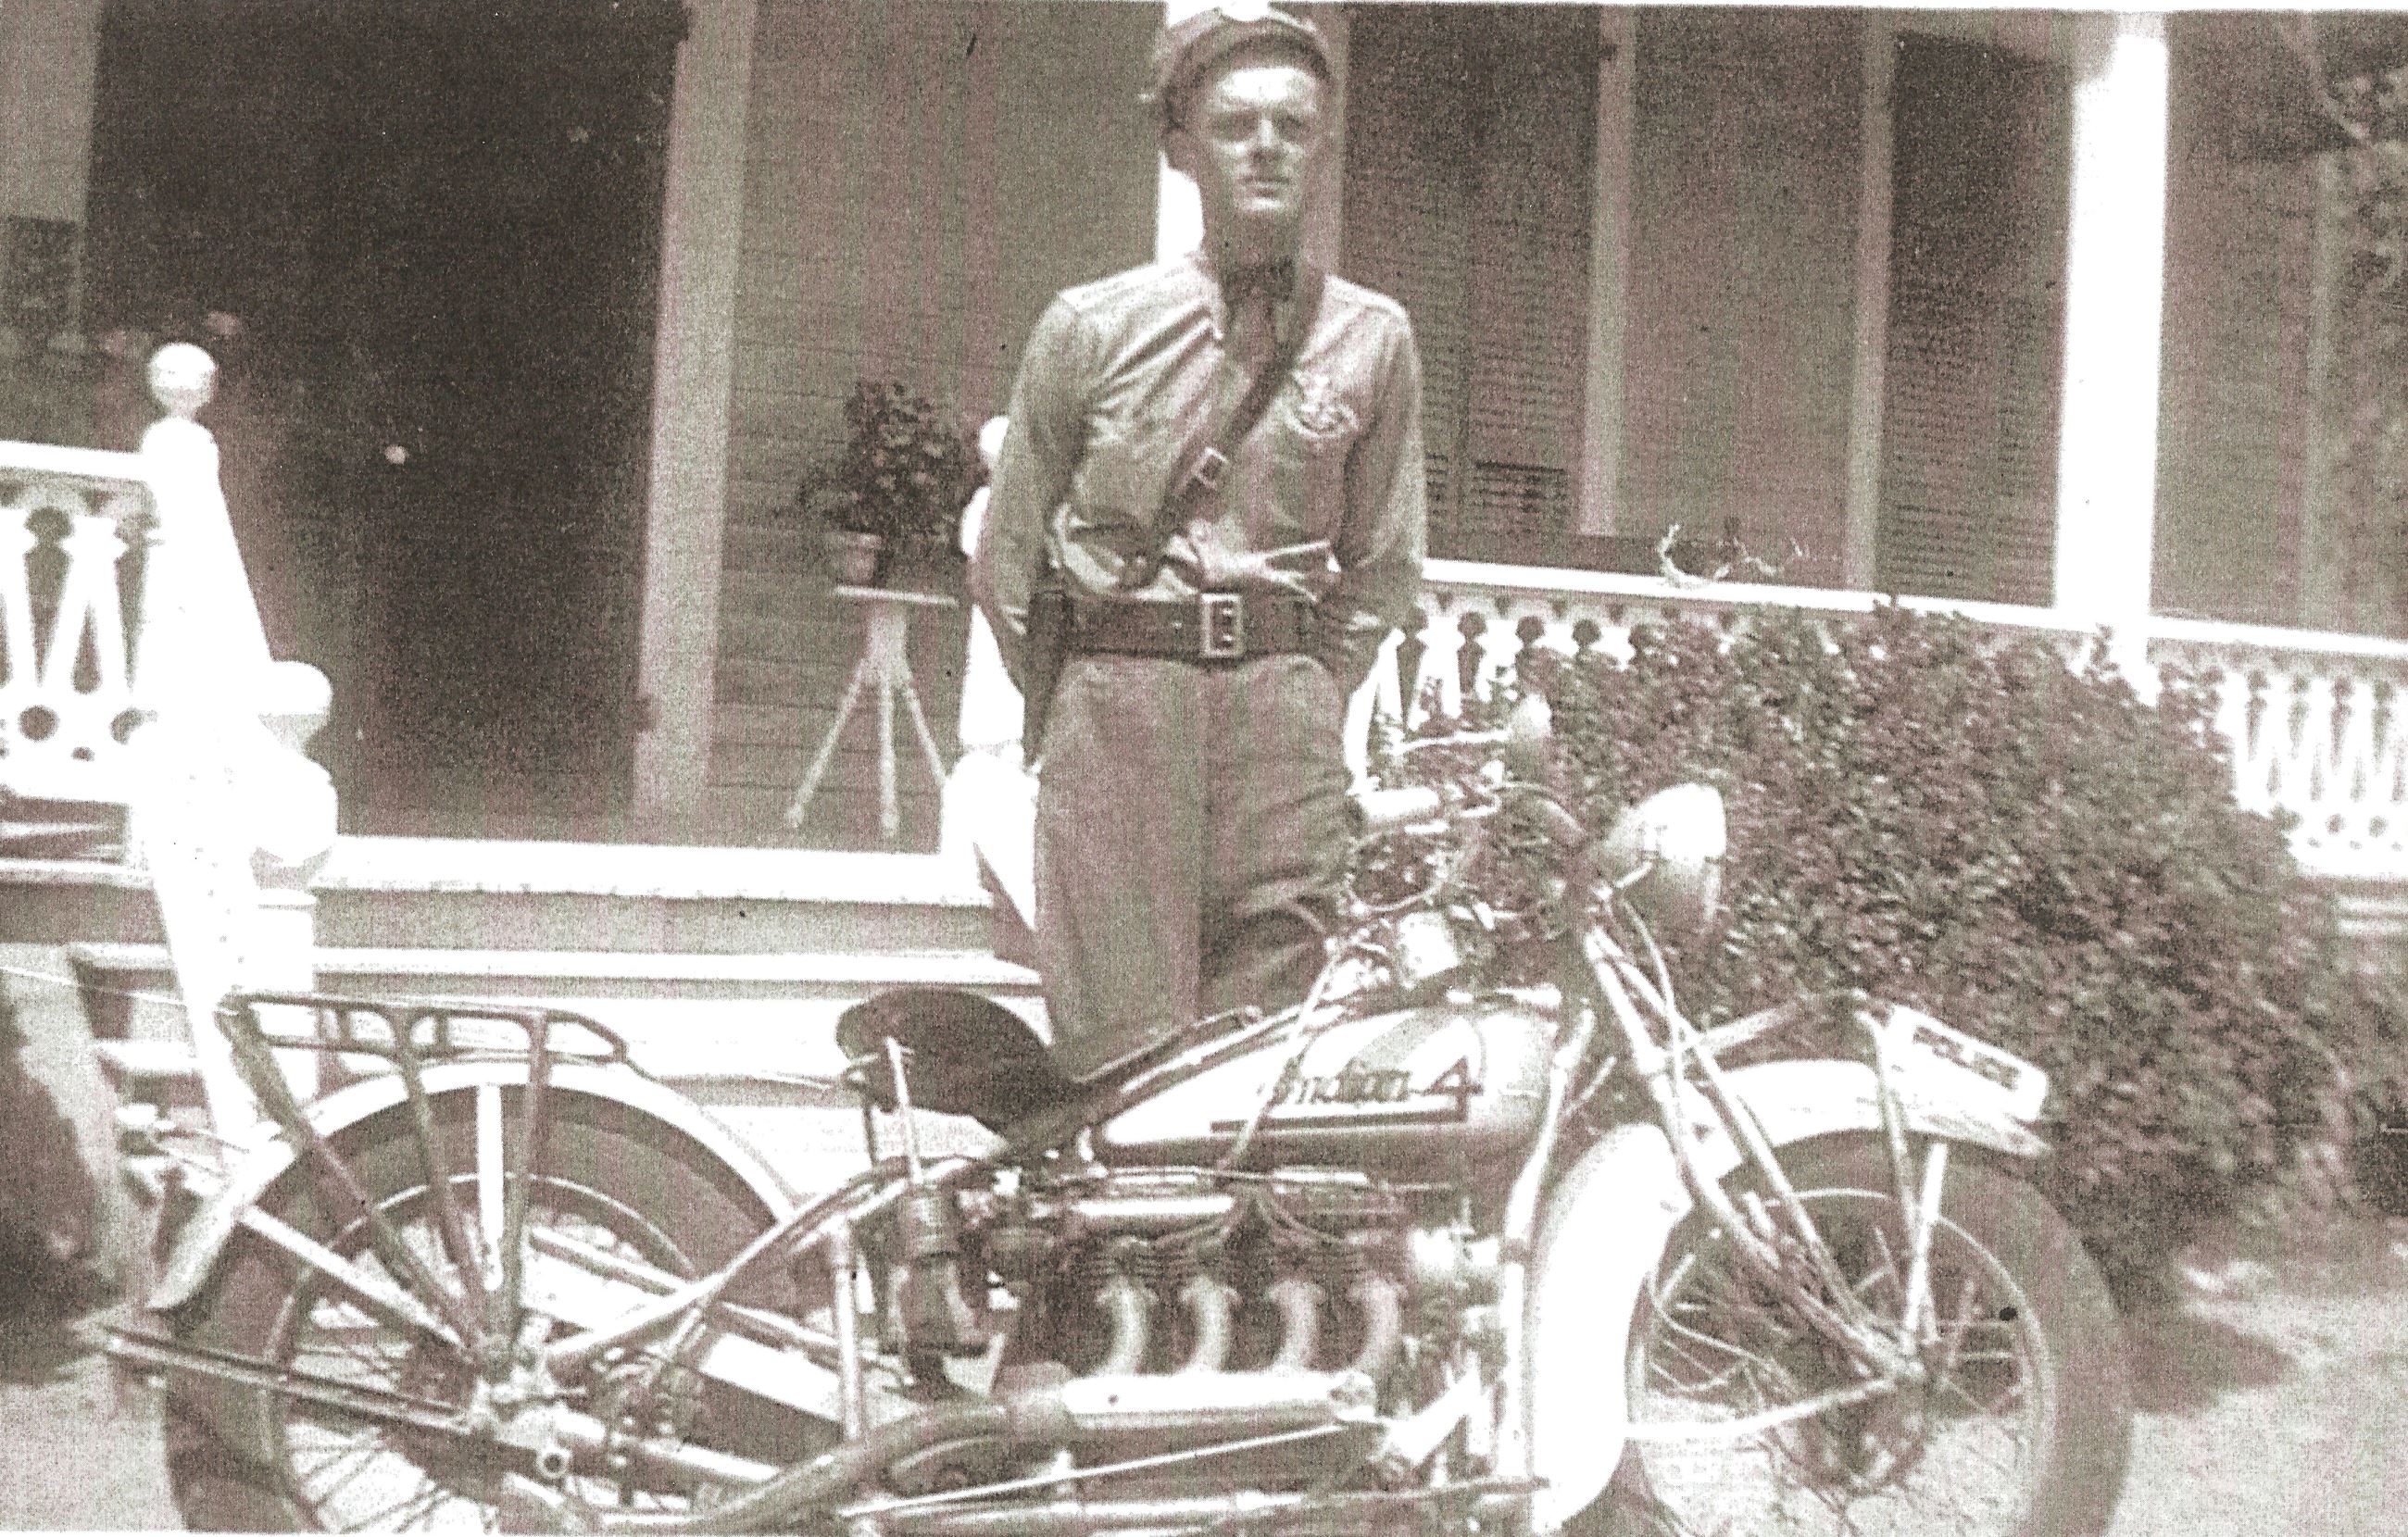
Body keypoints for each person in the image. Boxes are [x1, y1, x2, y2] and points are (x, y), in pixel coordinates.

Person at [971, 2, 1426, 1081]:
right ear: (1179, 149)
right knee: (1119, 1059)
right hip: (1120, 701)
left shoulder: (1370, 337)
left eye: (1292, 126)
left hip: (1282, 713)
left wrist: (1304, 690)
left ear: (1321, 147)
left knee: (1263, 1058)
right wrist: (1087, 693)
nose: (1266, 147)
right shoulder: (1090, 327)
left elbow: (1383, 564)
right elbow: (1007, 563)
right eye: (1233, 125)